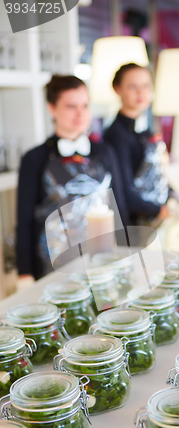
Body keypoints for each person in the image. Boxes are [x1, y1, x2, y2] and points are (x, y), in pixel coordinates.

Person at [16, 74, 128, 282]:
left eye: (84, 106)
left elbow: (119, 207)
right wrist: (24, 273)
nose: (80, 114)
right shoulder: (34, 158)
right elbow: (24, 221)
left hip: (102, 264)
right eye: (70, 106)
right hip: (53, 268)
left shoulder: (105, 152)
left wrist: (126, 255)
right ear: (52, 108)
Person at [104, 63, 170, 225]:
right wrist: (159, 210)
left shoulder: (144, 129)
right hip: (137, 222)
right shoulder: (116, 135)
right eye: (132, 86)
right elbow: (123, 191)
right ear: (117, 89)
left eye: (146, 86)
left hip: (154, 214)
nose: (141, 92)